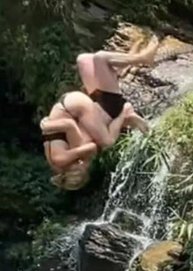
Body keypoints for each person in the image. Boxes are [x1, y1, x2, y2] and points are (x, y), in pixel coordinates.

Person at [41, 37, 159, 189]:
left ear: (71, 173)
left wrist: (47, 125)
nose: (83, 168)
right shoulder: (56, 160)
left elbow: (75, 132)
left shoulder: (61, 160)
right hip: (79, 105)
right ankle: (123, 71)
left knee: (107, 141)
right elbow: (66, 133)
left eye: (81, 172)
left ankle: (142, 61)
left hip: (79, 107)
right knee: (84, 59)